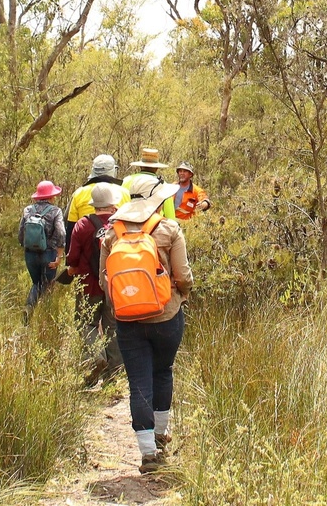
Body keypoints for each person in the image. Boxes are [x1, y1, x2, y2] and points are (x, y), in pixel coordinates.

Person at [101, 176, 191, 474]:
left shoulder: (112, 234)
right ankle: (161, 437)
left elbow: (106, 281)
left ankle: (147, 453)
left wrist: (122, 304)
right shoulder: (168, 228)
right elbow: (183, 275)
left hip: (127, 319)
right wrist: (181, 295)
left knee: (138, 381)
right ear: (155, 200)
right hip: (166, 315)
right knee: (162, 372)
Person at [64, 182, 123, 384]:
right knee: (112, 327)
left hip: (88, 284)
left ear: (94, 205)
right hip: (114, 287)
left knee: (86, 322)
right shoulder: (119, 225)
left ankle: (95, 359)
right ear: (111, 204)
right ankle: (113, 375)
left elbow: (72, 258)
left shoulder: (82, 224)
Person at [18, 180, 65, 313]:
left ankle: (30, 309)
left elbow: (21, 232)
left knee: (36, 283)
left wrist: (26, 247)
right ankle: (41, 313)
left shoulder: (28, 210)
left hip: (30, 253)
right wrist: (59, 256)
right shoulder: (56, 211)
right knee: (48, 284)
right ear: (51, 196)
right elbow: (61, 233)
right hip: (49, 253)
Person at [66, 153, 129, 237]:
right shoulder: (124, 192)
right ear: (113, 170)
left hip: (86, 245)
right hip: (115, 244)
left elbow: (71, 226)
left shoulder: (79, 193)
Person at [121, 147, 176, 220]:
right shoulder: (163, 185)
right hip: (154, 225)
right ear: (157, 168)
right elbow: (170, 216)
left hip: (127, 222)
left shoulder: (127, 180)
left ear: (140, 166)